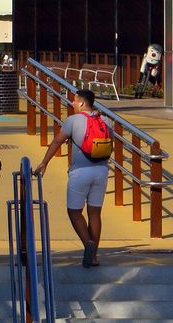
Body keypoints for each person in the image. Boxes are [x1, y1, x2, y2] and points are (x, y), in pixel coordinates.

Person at [35, 89, 112, 268]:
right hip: (101, 170)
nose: (72, 103)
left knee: (74, 211)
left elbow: (56, 142)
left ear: (82, 103)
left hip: (80, 172)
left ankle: (88, 244)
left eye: (74, 101)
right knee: (95, 213)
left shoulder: (73, 121)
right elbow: (110, 144)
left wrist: (44, 162)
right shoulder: (106, 120)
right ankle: (93, 257)